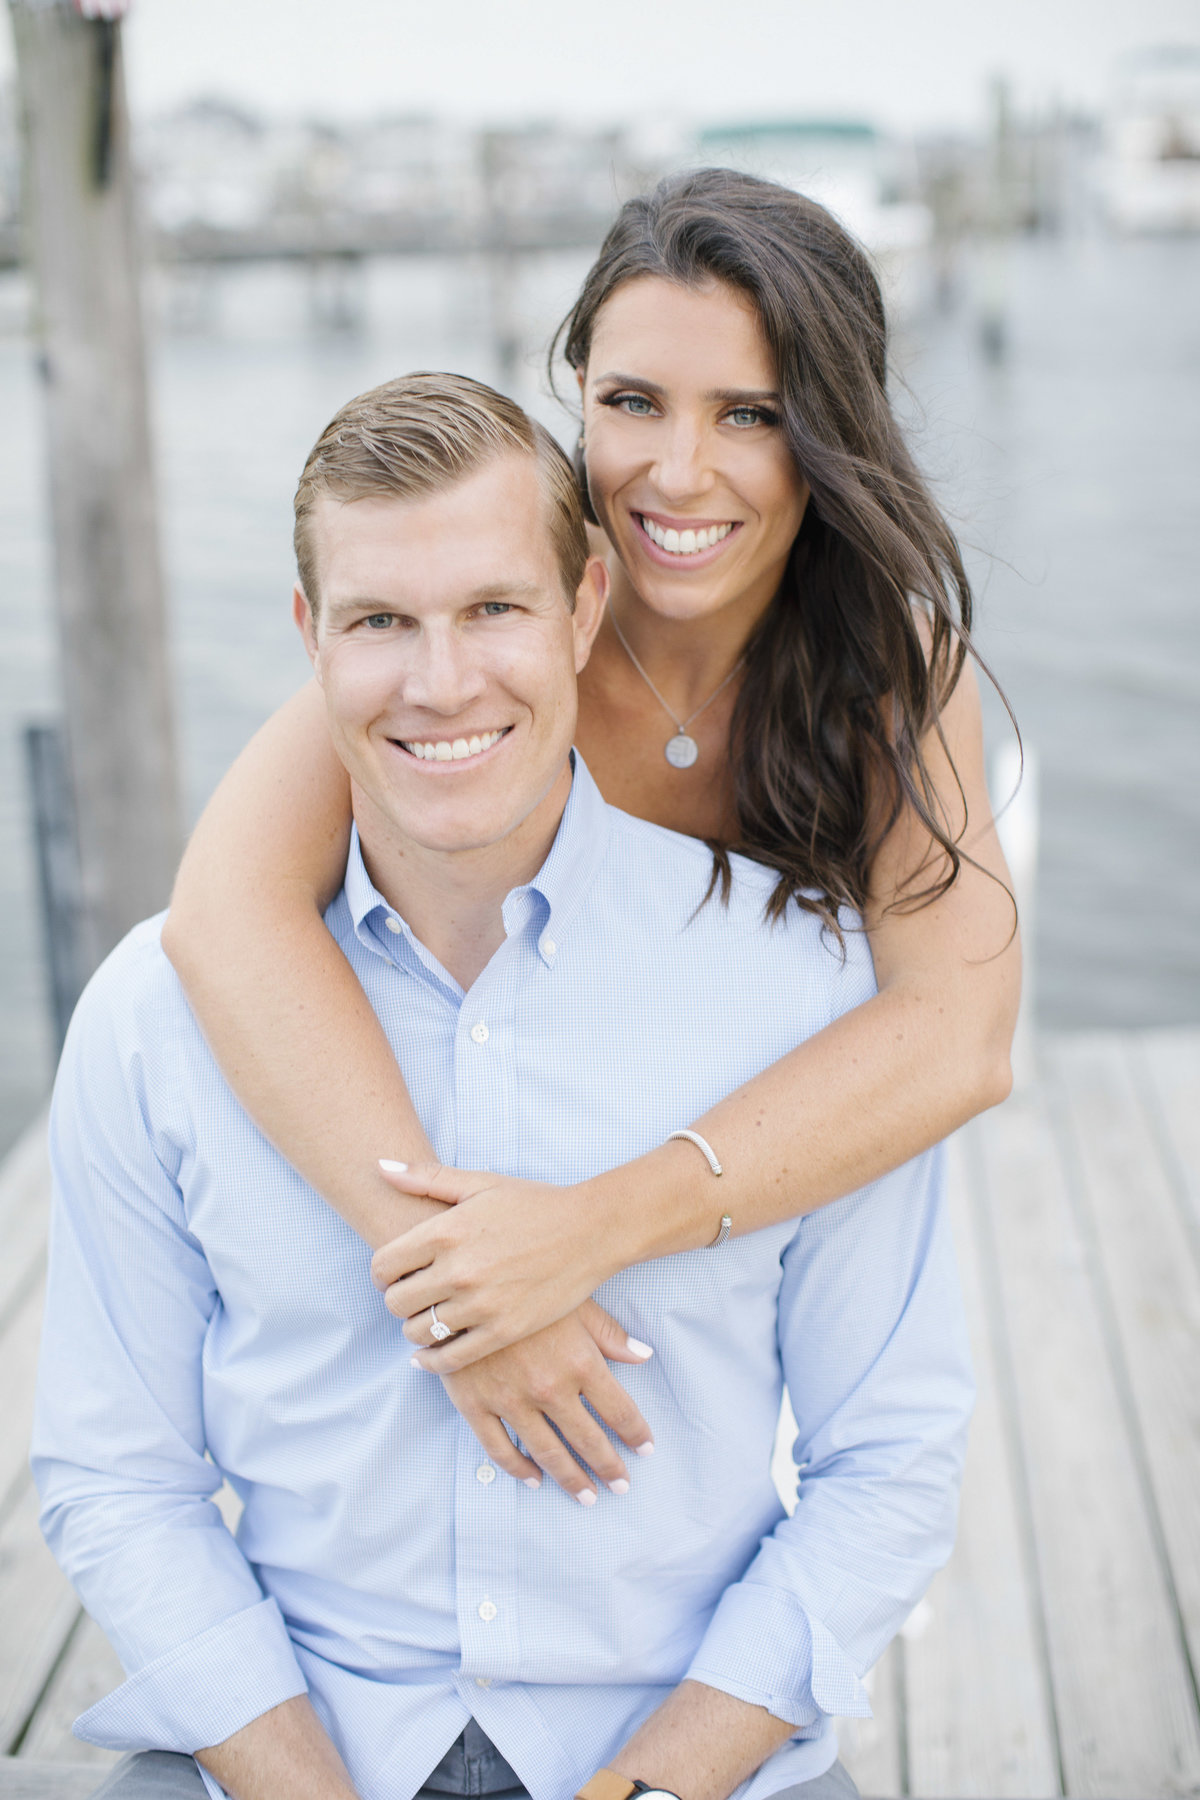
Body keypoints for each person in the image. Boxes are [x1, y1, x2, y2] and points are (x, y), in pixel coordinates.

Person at [35, 372, 973, 1800]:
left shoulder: (804, 994)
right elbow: (119, 1480)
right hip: (301, 1743)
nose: (441, 681)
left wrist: (649, 1788)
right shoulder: (150, 1019)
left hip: (684, 1756)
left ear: (588, 610)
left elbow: (890, 1464)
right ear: (309, 637)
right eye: (379, 623)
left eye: (492, 610)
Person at [161, 168, 1016, 1501]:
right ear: (579, 394)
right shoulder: (497, 631)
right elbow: (224, 911)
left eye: (752, 415)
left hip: (771, 1217)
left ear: (833, 430)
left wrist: (582, 1236)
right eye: (631, 403)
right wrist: (464, 1298)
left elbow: (959, 1033)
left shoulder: (891, 674)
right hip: (497, 1182)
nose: (677, 471)